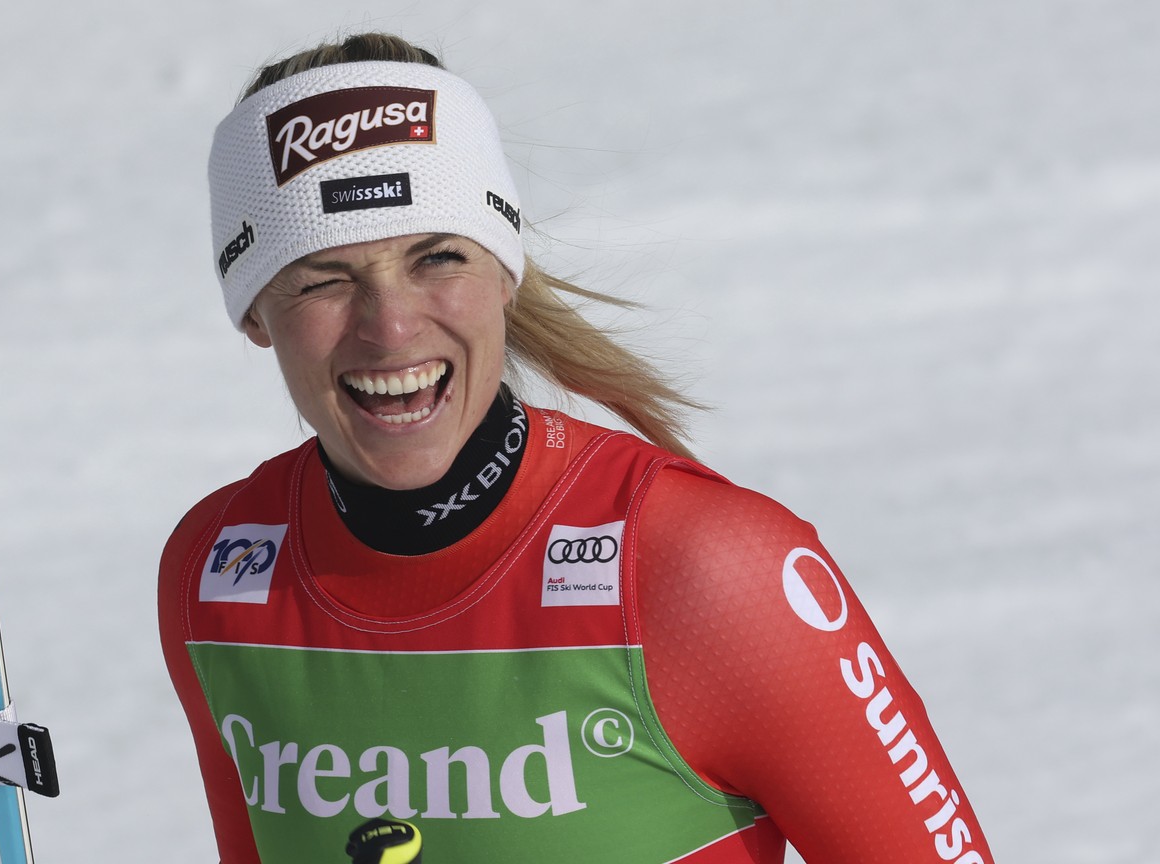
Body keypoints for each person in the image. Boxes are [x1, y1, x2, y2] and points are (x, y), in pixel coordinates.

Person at [159, 32, 994, 864]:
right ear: (255, 314)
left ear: (504, 273)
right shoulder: (217, 578)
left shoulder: (701, 569)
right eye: (323, 279)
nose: (393, 325)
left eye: (437, 257)